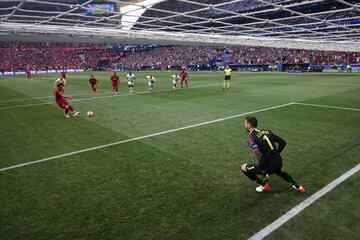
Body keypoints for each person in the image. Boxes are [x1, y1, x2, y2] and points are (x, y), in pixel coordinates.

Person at [241, 116, 305, 193]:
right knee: (278, 171)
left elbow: (259, 155)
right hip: (278, 161)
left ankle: (263, 185)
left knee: (243, 167)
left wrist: (264, 172)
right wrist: (276, 154)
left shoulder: (251, 139)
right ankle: (298, 186)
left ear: (249, 125)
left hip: (267, 166)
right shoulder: (267, 131)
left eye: (245, 123)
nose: (244, 125)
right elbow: (283, 143)